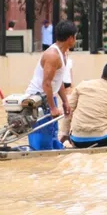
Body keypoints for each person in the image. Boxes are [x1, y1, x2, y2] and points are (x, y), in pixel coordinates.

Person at [25, 20, 77, 150]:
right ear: (70, 38)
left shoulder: (63, 53)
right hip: (37, 99)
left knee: (52, 133)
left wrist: (65, 101)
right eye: (75, 36)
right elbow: (46, 83)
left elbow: (57, 81)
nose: (76, 39)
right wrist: (53, 107)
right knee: (41, 136)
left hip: (48, 96)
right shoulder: (52, 55)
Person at [60, 62, 107, 148]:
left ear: (102, 75)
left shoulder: (83, 85)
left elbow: (68, 111)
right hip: (102, 140)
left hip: (77, 139)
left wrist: (64, 134)